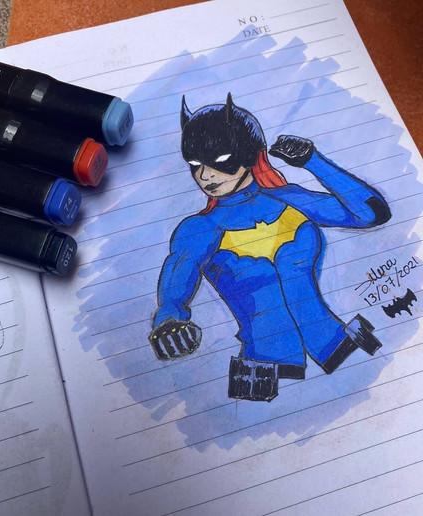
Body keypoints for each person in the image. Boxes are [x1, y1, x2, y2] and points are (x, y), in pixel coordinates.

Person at [149, 93, 391, 402]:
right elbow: (174, 288)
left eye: (220, 161)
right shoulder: (199, 229)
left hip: (344, 349)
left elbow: (372, 212)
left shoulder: (290, 200)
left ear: (251, 155)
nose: (205, 175)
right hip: (263, 379)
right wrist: (169, 324)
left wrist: (313, 161)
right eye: (195, 165)